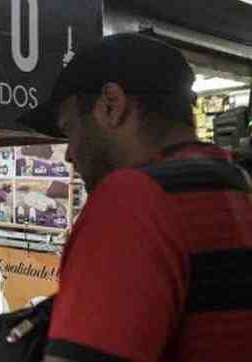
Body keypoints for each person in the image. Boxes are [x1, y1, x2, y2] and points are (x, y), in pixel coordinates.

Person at [16, 34, 252, 361]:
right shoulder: (237, 186)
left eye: (70, 129)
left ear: (111, 105)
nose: (69, 153)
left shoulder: (133, 200)